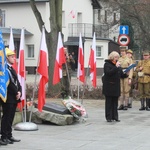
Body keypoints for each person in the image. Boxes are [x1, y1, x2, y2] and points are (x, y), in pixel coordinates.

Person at [0, 48, 22, 145]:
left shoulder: (11, 68)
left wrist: (20, 91)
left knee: (11, 117)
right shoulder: (4, 70)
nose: (14, 58)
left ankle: (9, 135)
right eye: (12, 56)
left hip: (14, 97)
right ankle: (4, 136)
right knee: (6, 117)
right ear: (7, 57)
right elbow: (9, 84)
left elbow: (17, 82)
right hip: (8, 97)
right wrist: (16, 92)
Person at [102, 51, 128, 122]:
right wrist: (116, 67)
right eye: (116, 57)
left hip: (116, 86)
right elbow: (108, 73)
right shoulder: (107, 64)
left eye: (118, 57)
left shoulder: (118, 65)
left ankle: (115, 117)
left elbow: (121, 74)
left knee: (115, 103)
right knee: (109, 102)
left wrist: (125, 73)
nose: (117, 58)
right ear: (112, 57)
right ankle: (109, 117)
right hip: (109, 86)